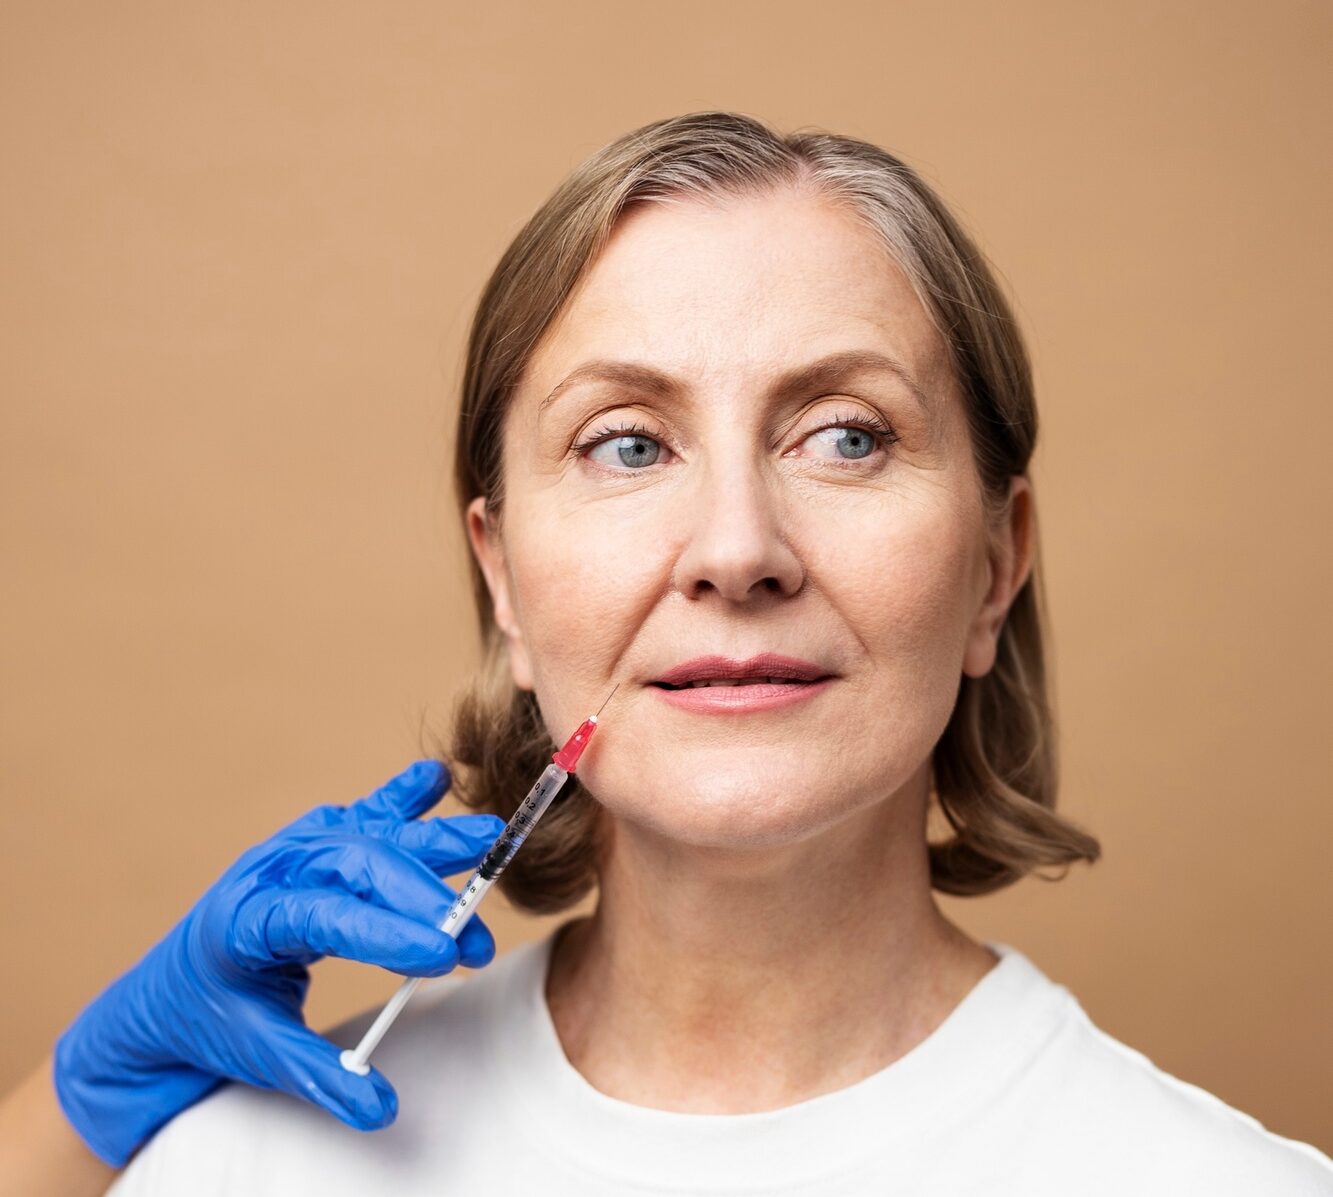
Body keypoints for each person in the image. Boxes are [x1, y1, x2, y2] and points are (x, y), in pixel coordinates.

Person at [2, 110, 1330, 1196]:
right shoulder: (249, 1169)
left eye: (845, 435)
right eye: (627, 445)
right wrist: (81, 1108)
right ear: (503, 576)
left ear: (995, 562)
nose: (736, 548)